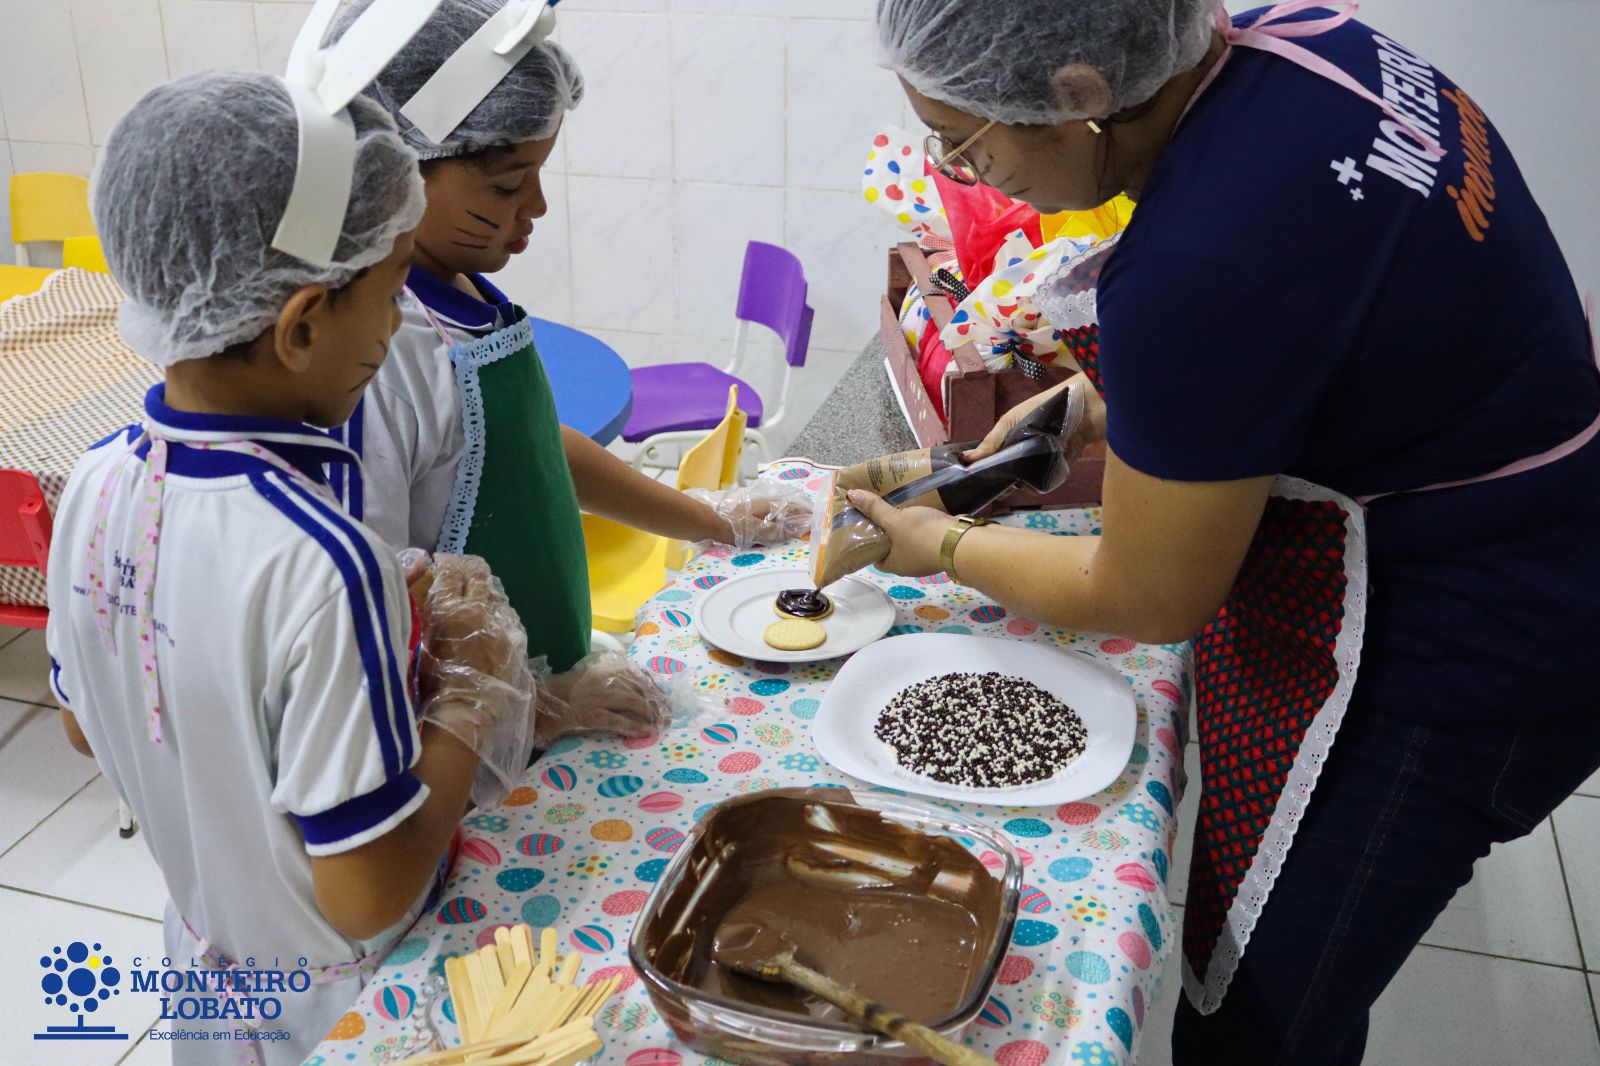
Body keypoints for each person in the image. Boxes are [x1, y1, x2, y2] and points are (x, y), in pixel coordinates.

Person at [860, 2, 1600, 1063]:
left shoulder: (1200, 260)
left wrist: (933, 545)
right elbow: (1321, 313)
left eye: (968, 142)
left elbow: (1147, 591)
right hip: (1549, 523)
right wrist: (1105, 407)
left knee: (1262, 1017)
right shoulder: (1306, 38)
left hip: (1484, 646)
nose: (971, 176)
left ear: (1078, 95)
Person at [45, 70, 535, 1065]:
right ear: (305, 321)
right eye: (393, 290)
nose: (398, 325)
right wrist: (470, 698)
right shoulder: (326, 559)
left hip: (210, 972)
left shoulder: (94, 486)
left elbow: (87, 722)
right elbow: (366, 892)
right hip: (342, 1013)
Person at [329, 0, 809, 712]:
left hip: (527, 694)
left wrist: (712, 518)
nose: (538, 206)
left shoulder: (457, 290)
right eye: (505, 183)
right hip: (461, 743)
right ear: (388, 169)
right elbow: (372, 605)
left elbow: (527, 452)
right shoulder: (377, 356)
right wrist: (535, 711)